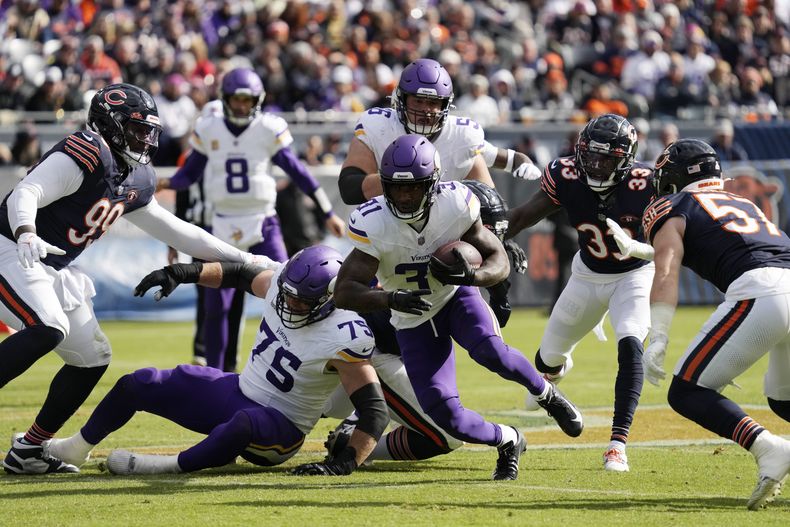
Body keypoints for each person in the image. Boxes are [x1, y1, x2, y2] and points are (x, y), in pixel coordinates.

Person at [0, 83, 278, 475]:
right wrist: (27, 231)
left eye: (149, 131)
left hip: (52, 265)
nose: (146, 140)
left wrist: (246, 258)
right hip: (11, 246)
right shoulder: (87, 151)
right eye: (137, 129)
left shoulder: (136, 177)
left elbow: (178, 231)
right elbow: (26, 192)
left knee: (92, 358)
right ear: (110, 124)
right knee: (49, 327)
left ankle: (29, 449)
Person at [333, 134, 583, 481]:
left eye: (413, 187)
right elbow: (344, 292)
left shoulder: (456, 203)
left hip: (455, 296)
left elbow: (498, 259)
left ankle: (548, 395)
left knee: (490, 351)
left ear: (432, 184)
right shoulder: (372, 221)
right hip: (412, 318)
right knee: (446, 416)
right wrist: (390, 299)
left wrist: (474, 276)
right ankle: (509, 439)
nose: (404, 196)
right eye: (397, 188)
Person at [46, 245, 388, 476]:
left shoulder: (344, 334)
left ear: (328, 300)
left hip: (281, 429)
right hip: (239, 391)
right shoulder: (284, 288)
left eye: (301, 301)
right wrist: (182, 272)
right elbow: (239, 273)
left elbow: (374, 411)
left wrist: (343, 464)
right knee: (139, 383)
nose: (289, 304)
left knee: (243, 423)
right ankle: (76, 448)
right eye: (287, 294)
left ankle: (164, 466)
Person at [610, 139, 790, 510]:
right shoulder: (741, 202)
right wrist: (643, 249)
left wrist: (659, 334)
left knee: (686, 391)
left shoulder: (672, 205)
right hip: (781, 282)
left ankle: (769, 449)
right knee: (782, 395)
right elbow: (706, 242)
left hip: (763, 292)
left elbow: (667, 267)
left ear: (675, 177)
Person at [158, 68, 346, 372]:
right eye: (237, 99)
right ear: (225, 99)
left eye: (248, 100)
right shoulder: (209, 128)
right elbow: (189, 175)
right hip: (221, 226)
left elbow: (298, 171)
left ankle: (308, 365)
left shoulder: (267, 128)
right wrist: (166, 183)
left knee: (292, 288)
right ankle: (215, 375)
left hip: (262, 223)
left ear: (257, 101)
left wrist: (327, 212)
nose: (242, 106)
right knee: (216, 307)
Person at [321, 180, 522, 465]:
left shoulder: (456, 241)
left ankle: (353, 429)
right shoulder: (400, 242)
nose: (489, 239)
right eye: (486, 230)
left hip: (380, 354)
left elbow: (495, 310)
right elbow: (347, 293)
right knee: (447, 434)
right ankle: (354, 439)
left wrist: (495, 281)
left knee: (433, 404)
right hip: (366, 353)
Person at [505, 114, 655, 472]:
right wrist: (486, 239)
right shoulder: (566, 175)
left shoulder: (646, 185)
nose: (597, 165)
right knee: (546, 360)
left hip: (633, 275)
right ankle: (555, 373)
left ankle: (617, 445)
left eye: (607, 158)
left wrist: (639, 248)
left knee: (631, 344)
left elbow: (671, 244)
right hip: (587, 275)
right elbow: (524, 215)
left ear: (626, 159)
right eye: (591, 155)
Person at [336, 58, 541, 209]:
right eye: (418, 101)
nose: (426, 110)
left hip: (444, 228)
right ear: (401, 100)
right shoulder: (379, 125)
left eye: (433, 102)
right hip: (389, 222)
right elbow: (349, 188)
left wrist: (520, 161)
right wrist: (404, 182)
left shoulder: (461, 135)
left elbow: (495, 167)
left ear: (445, 105)